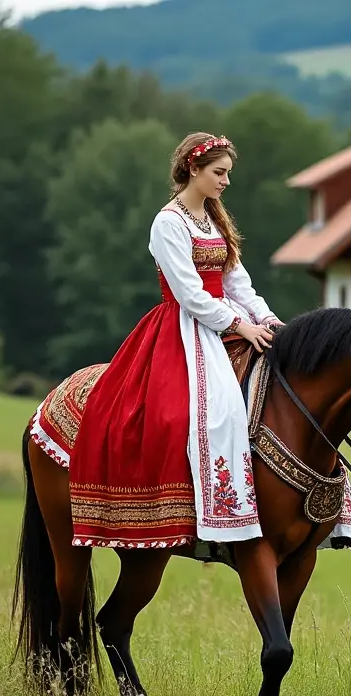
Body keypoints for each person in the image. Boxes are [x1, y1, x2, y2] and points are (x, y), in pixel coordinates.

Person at [66, 132, 284, 550]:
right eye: (219, 173)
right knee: (189, 413)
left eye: (227, 174)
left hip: (228, 318)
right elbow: (190, 293)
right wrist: (239, 325)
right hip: (185, 325)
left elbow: (237, 281)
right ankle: (187, 506)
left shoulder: (216, 218)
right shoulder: (169, 222)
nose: (225, 182)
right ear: (193, 169)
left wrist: (267, 318)